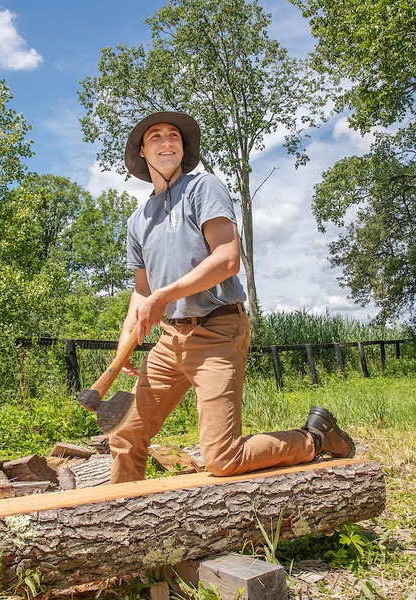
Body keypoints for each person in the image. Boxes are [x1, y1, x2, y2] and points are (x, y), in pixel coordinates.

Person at [109, 111, 355, 483]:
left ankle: (314, 439)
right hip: (170, 339)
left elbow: (227, 259)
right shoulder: (137, 220)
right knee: (125, 436)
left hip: (217, 329)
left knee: (222, 459)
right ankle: (120, 526)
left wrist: (164, 295)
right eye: (155, 137)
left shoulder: (203, 187)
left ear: (182, 147)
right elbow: (142, 290)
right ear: (142, 152)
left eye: (173, 135)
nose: (166, 142)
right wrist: (128, 334)